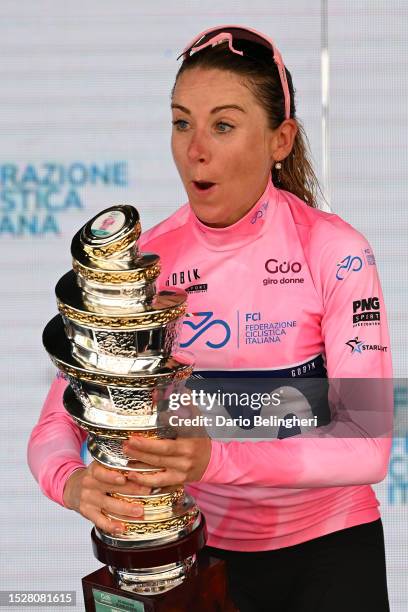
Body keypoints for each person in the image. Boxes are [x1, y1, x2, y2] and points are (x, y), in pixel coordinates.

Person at [28, 25, 393, 612]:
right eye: (181, 122)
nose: (195, 148)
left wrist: (215, 454)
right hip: (198, 557)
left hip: (329, 551)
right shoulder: (144, 266)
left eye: (223, 125)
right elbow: (55, 427)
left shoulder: (335, 249)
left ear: (281, 140)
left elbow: (369, 444)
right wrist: (72, 484)